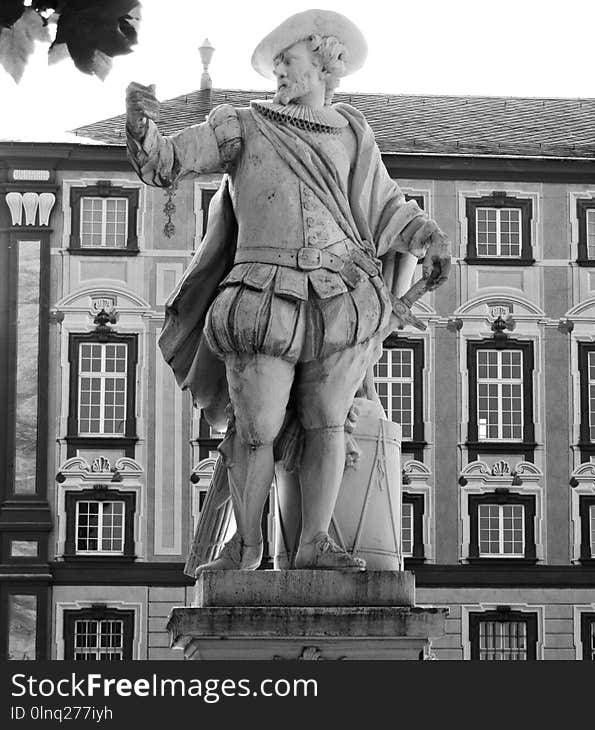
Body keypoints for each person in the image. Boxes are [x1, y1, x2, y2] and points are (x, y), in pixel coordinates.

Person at [125, 9, 451, 572]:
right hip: (262, 292)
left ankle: (314, 543)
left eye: (288, 61)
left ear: (324, 62)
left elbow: (384, 203)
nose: (278, 72)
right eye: (274, 65)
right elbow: (169, 162)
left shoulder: (352, 131)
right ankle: (247, 547)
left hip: (340, 297)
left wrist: (428, 236)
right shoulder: (241, 124)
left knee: (327, 420)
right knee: (257, 430)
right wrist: (142, 128)